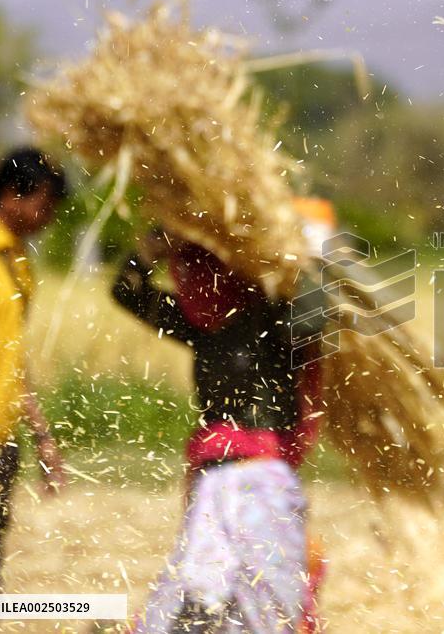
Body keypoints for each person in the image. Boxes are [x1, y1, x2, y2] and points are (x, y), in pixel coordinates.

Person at [113, 230, 325, 633]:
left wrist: (303, 251)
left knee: (258, 593)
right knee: (204, 591)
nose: (191, 282)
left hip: (260, 477)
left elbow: (314, 317)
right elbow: (127, 292)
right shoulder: (201, 327)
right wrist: (147, 251)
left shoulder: (271, 318)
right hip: (211, 477)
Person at [0, 148, 68, 631]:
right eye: (46, 205)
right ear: (13, 194)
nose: (49, 218)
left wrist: (42, 435)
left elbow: (10, 355)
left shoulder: (18, 261)